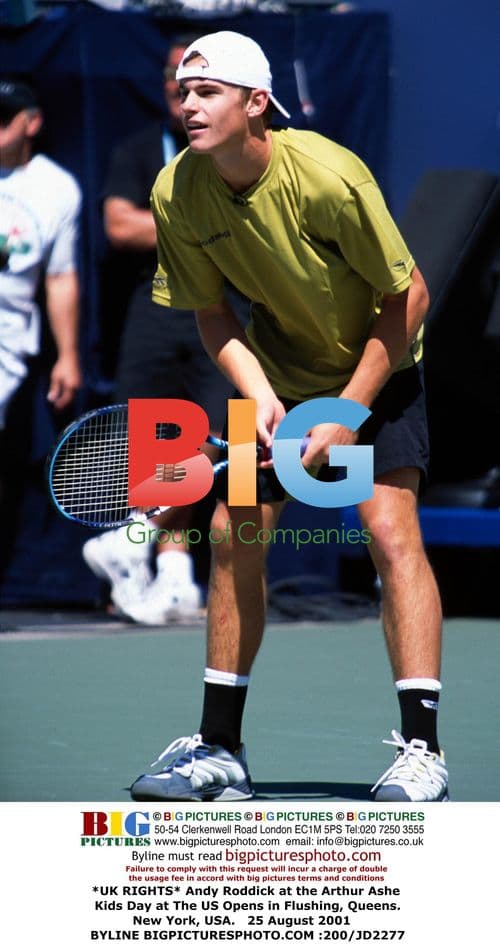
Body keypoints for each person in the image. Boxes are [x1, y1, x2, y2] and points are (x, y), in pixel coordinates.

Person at [129, 31, 448, 803]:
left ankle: (422, 751)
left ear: (255, 104)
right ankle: (221, 748)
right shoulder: (177, 190)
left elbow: (408, 298)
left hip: (379, 363)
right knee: (234, 533)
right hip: (279, 367)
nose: (189, 103)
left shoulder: (331, 178)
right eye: (183, 89)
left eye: (208, 91)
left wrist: (346, 414)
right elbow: (210, 312)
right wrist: (261, 391)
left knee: (390, 532)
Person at [81, 37, 236, 625]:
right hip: (156, 310)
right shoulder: (141, 148)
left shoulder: (241, 156)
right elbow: (119, 226)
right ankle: (170, 576)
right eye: (178, 79)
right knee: (155, 443)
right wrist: (208, 225)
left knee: (224, 441)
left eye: (201, 81)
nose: (186, 91)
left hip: (233, 313)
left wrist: (180, 226)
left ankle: (140, 540)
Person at [0, 79, 82, 564]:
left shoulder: (57, 189)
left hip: (8, 343)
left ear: (31, 123)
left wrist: (68, 355)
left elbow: (60, 277)